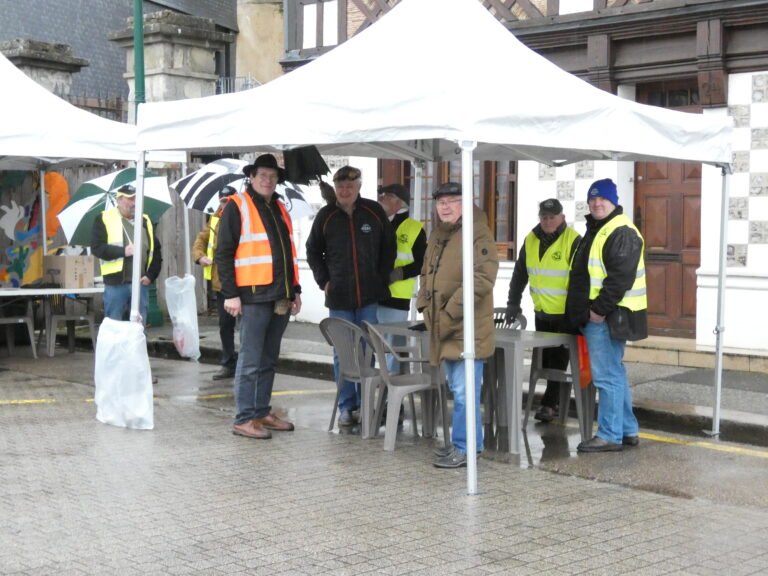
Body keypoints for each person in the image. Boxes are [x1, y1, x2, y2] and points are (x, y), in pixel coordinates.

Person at [215, 154, 302, 440]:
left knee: (268, 359)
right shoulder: (237, 206)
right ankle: (244, 418)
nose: (267, 180)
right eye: (262, 175)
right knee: (251, 360)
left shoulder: (279, 207)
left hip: (279, 295)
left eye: (272, 176)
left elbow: (288, 253)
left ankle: (261, 411)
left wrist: (295, 291)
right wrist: (231, 294)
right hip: (252, 296)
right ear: (251, 177)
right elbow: (223, 254)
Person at [306, 165, 396, 428]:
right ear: (335, 188)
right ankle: (347, 406)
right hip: (339, 299)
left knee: (368, 351)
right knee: (342, 354)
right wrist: (324, 280)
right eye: (340, 187)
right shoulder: (326, 216)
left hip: (369, 297)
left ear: (359, 187)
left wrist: (381, 277)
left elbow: (388, 248)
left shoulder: (373, 212)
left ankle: (366, 404)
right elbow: (313, 251)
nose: (344, 191)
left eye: (349, 186)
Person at [416, 182, 498, 469]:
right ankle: (464, 444)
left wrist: (450, 313)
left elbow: (483, 278)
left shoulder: (478, 231)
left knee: (465, 393)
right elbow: (426, 271)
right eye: (441, 203)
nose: (446, 207)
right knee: (458, 390)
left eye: (453, 201)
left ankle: (466, 448)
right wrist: (424, 303)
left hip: (466, 328)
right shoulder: (440, 232)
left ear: (466, 203)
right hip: (444, 327)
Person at [566, 178, 647, 453]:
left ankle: (610, 434)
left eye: (603, 199)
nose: (597, 203)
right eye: (593, 199)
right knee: (615, 373)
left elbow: (619, 278)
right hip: (606, 316)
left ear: (614, 201)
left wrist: (597, 311)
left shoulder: (620, 230)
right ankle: (626, 429)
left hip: (608, 317)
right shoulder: (600, 228)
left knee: (607, 376)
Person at [505, 198, 581, 422]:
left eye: (552, 217)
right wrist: (513, 302)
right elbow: (520, 274)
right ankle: (551, 402)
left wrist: (575, 313)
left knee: (558, 362)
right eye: (544, 217)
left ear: (562, 217)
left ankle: (550, 404)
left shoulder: (573, 240)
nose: (548, 221)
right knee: (544, 362)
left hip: (564, 315)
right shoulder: (531, 239)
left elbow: (579, 280)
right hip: (542, 313)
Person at [91, 183, 162, 324]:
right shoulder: (103, 218)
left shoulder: (145, 220)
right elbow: (97, 248)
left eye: (135, 198)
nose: (134, 202)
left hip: (140, 283)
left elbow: (155, 250)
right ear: (119, 200)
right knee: (114, 326)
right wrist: (123, 251)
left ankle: (138, 347)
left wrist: (151, 275)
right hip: (115, 284)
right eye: (130, 199)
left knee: (139, 328)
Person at [376, 183, 427, 370]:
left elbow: (422, 262)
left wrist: (399, 273)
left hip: (397, 296)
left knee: (393, 348)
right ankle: (378, 389)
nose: (381, 198)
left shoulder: (414, 228)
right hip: (372, 293)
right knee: (373, 344)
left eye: (386, 195)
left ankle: (393, 394)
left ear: (400, 202)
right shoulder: (377, 222)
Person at [192, 185, 238, 381]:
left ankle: (246, 364)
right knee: (225, 325)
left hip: (244, 281)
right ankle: (228, 363)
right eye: (222, 201)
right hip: (221, 282)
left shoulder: (243, 218)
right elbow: (201, 239)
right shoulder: (215, 218)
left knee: (247, 328)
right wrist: (199, 256)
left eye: (229, 201)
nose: (225, 204)